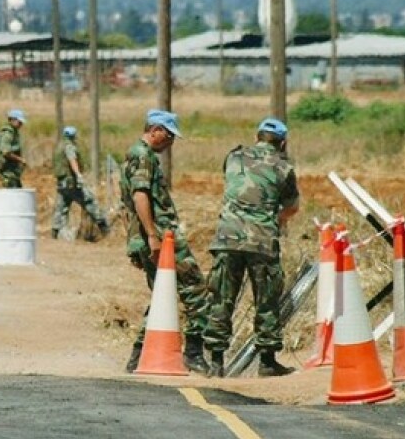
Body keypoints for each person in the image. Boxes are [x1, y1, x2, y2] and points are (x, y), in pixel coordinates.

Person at [119, 109, 218, 374]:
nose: (171, 142)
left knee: (163, 295)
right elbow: (140, 196)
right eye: (169, 136)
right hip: (161, 238)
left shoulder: (138, 154)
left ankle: (138, 356)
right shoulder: (142, 156)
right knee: (197, 290)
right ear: (155, 131)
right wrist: (152, 235)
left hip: (152, 237)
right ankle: (194, 352)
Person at [207, 117, 300, 377]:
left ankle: (215, 361)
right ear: (282, 143)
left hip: (228, 238)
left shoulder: (234, 157)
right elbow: (292, 206)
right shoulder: (283, 168)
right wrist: (276, 219)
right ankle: (267, 362)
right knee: (266, 300)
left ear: (256, 136)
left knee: (222, 297)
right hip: (262, 241)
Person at [51, 126, 109, 240]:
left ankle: (55, 231)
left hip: (62, 183)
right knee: (89, 201)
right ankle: (103, 226)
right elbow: (72, 159)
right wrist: (78, 174)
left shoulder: (59, 146)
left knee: (62, 206)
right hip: (71, 182)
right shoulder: (69, 146)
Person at [0, 109, 28, 188]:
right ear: (12, 120)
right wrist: (20, 159)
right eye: (19, 122)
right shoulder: (8, 133)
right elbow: (6, 152)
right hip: (7, 170)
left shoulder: (14, 132)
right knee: (11, 192)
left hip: (12, 170)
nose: (21, 124)